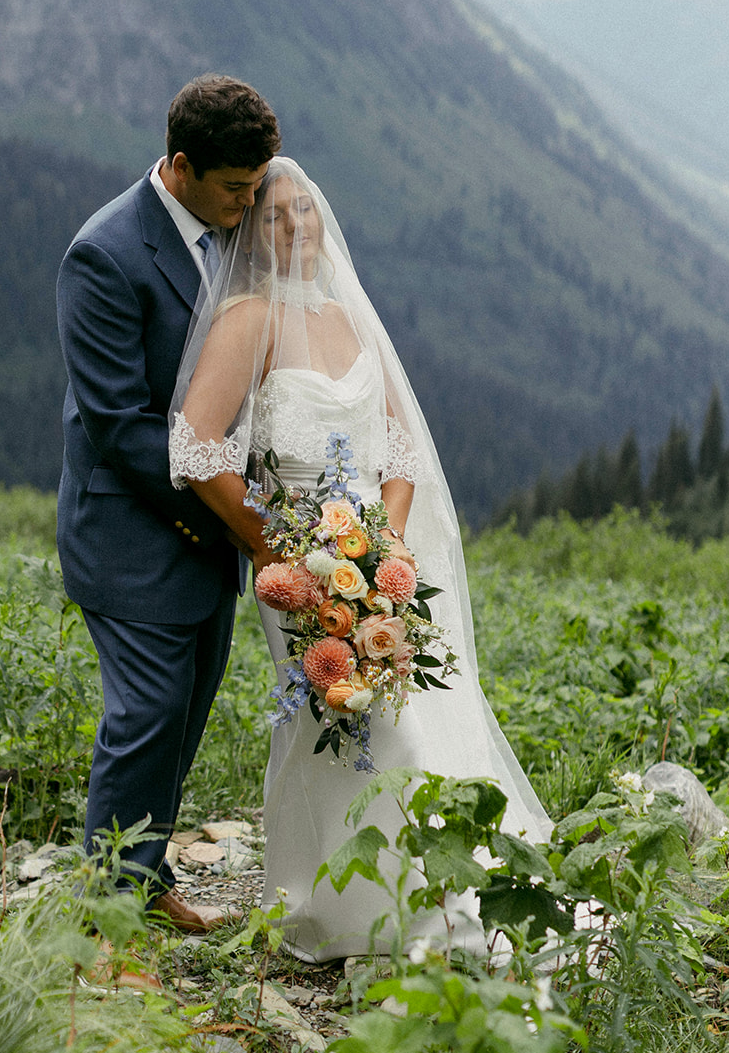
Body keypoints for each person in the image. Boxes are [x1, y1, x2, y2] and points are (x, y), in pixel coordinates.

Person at [168, 157, 550, 961]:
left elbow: (400, 445)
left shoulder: (347, 316)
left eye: (305, 212)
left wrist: (388, 547)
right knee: (343, 719)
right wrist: (280, 548)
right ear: (251, 233)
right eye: (275, 217)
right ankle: (358, 908)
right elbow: (197, 450)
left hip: (382, 558)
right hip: (303, 566)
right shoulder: (245, 319)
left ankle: (450, 886)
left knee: (424, 712)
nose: (296, 228)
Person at [56, 74, 281, 937]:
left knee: (181, 715)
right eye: (234, 188)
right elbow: (117, 426)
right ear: (181, 167)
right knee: (143, 714)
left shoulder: (234, 231)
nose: (248, 202)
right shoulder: (105, 254)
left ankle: (139, 880)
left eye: (257, 186)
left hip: (207, 533)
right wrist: (237, 516)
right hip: (128, 531)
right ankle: (102, 917)